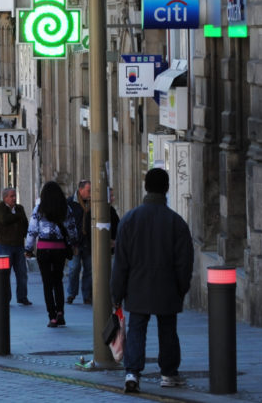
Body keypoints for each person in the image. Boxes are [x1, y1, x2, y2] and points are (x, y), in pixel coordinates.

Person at [111, 168, 194, 393]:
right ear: (166, 189)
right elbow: (185, 261)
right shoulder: (176, 223)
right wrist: (181, 287)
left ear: (145, 187)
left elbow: (120, 262)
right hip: (167, 287)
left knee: (137, 328)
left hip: (137, 287)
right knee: (168, 330)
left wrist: (117, 293)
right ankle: (168, 373)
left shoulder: (129, 220)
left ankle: (133, 372)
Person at [24, 182, 79, 327]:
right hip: (59, 248)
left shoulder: (39, 209)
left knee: (47, 284)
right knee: (58, 281)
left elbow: (32, 231)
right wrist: (74, 244)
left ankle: (52, 316)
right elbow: (72, 228)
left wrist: (28, 249)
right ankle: (60, 312)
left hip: (44, 248)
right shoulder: (65, 209)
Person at [0, 187, 31, 305]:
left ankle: (22, 297)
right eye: (11, 196)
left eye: (15, 196)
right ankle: (5, 298)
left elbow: (25, 223)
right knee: (4, 274)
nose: (14, 198)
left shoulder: (20, 208)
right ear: (5, 198)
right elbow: (4, 220)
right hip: (5, 245)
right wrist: (18, 216)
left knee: (22, 273)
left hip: (19, 245)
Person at [66, 180, 92, 305]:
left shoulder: (93, 203)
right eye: (88, 191)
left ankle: (87, 295)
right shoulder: (70, 203)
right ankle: (71, 293)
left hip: (89, 241)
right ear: (80, 190)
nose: (90, 194)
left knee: (89, 269)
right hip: (75, 242)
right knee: (74, 268)